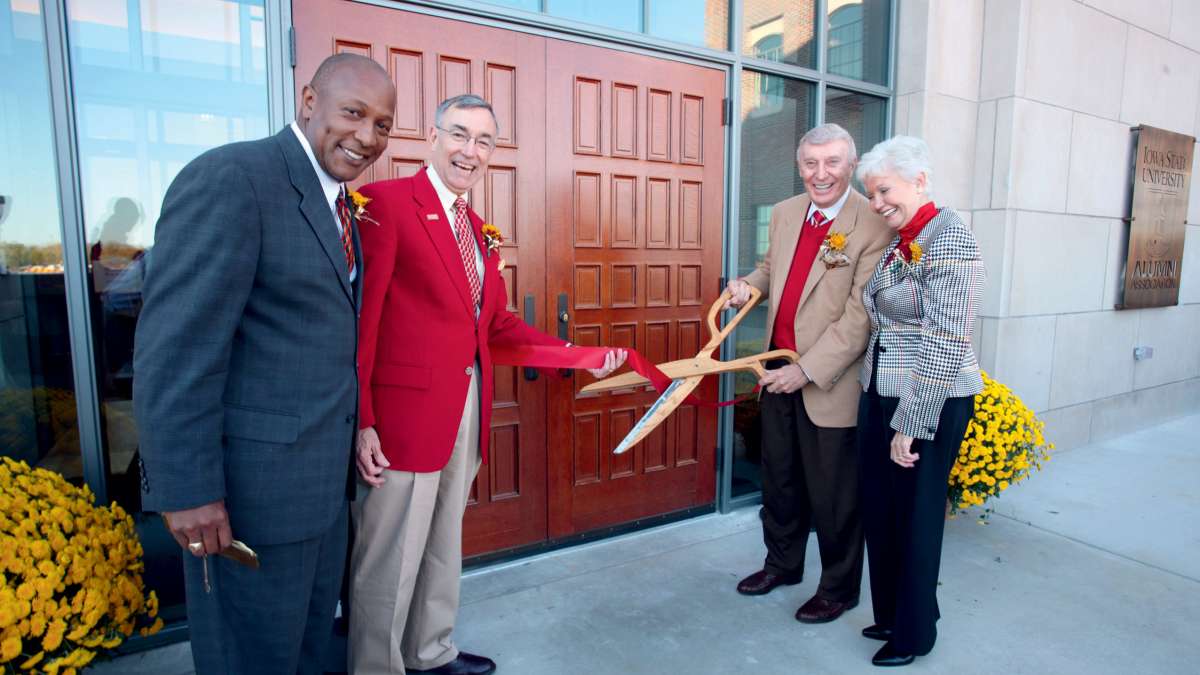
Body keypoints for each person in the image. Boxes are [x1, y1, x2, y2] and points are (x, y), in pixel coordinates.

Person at [133, 53, 396, 673]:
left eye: (383, 124)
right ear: (308, 101)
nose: (367, 136)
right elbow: (176, 350)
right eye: (353, 112)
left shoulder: (339, 205)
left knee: (307, 655)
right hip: (247, 503)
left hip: (321, 496)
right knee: (250, 660)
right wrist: (186, 490)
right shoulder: (235, 178)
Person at [350, 94, 625, 675]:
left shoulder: (477, 229)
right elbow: (362, 321)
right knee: (390, 557)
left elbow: (494, 326)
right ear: (431, 136)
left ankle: (429, 651)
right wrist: (363, 419)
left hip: (464, 408)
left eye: (484, 141)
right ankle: (377, 667)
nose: (469, 151)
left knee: (442, 541)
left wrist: (577, 356)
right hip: (401, 417)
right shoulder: (386, 204)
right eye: (459, 134)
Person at [726, 123, 891, 623]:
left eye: (833, 163)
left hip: (828, 382)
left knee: (835, 495)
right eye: (811, 164)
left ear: (851, 165)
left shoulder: (874, 224)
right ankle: (782, 565)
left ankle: (839, 589)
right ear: (799, 166)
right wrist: (745, 287)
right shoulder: (784, 213)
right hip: (776, 371)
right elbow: (771, 270)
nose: (821, 175)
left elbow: (861, 317)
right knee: (779, 481)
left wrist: (808, 371)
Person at [854, 135, 985, 667]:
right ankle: (894, 614)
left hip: (928, 397)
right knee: (883, 509)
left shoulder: (951, 237)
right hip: (882, 387)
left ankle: (914, 634)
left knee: (916, 514)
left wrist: (911, 422)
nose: (878, 202)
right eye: (872, 194)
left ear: (919, 180)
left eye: (884, 189)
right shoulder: (906, 236)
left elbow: (946, 338)